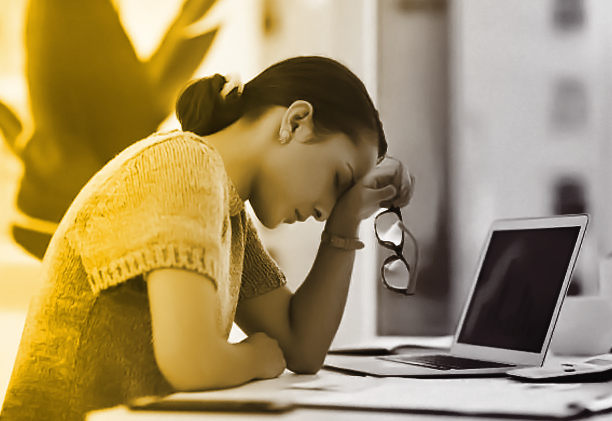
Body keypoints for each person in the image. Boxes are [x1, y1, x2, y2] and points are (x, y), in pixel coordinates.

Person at [0, 56, 414, 421]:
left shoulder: (228, 211)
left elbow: (301, 348)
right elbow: (192, 361)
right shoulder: (185, 165)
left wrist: (344, 224)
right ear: (295, 121)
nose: (325, 210)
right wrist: (257, 357)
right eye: (338, 180)